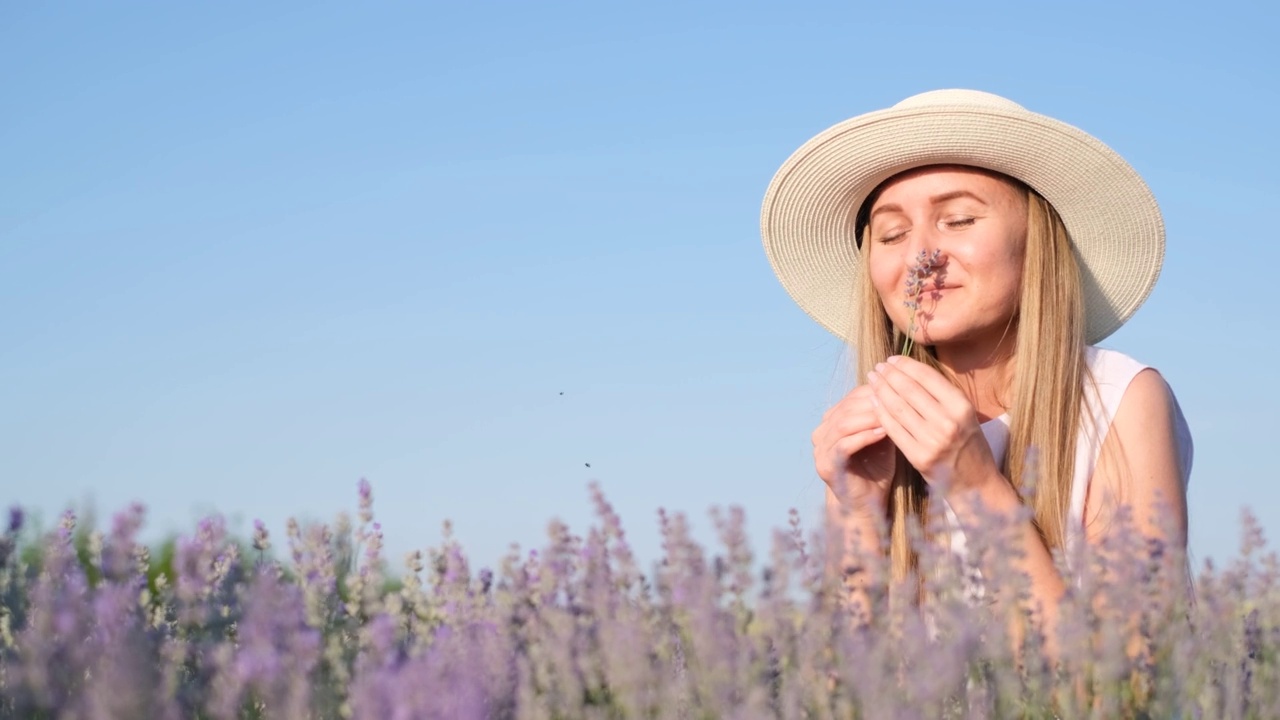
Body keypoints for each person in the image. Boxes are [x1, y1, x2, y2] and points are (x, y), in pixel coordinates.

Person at [759, 89, 1193, 647]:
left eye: (958, 220)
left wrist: (972, 484)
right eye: (892, 234)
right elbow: (853, 684)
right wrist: (861, 518)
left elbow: (1131, 679)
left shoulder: (1118, 399)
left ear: (1036, 240)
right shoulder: (874, 431)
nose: (921, 256)